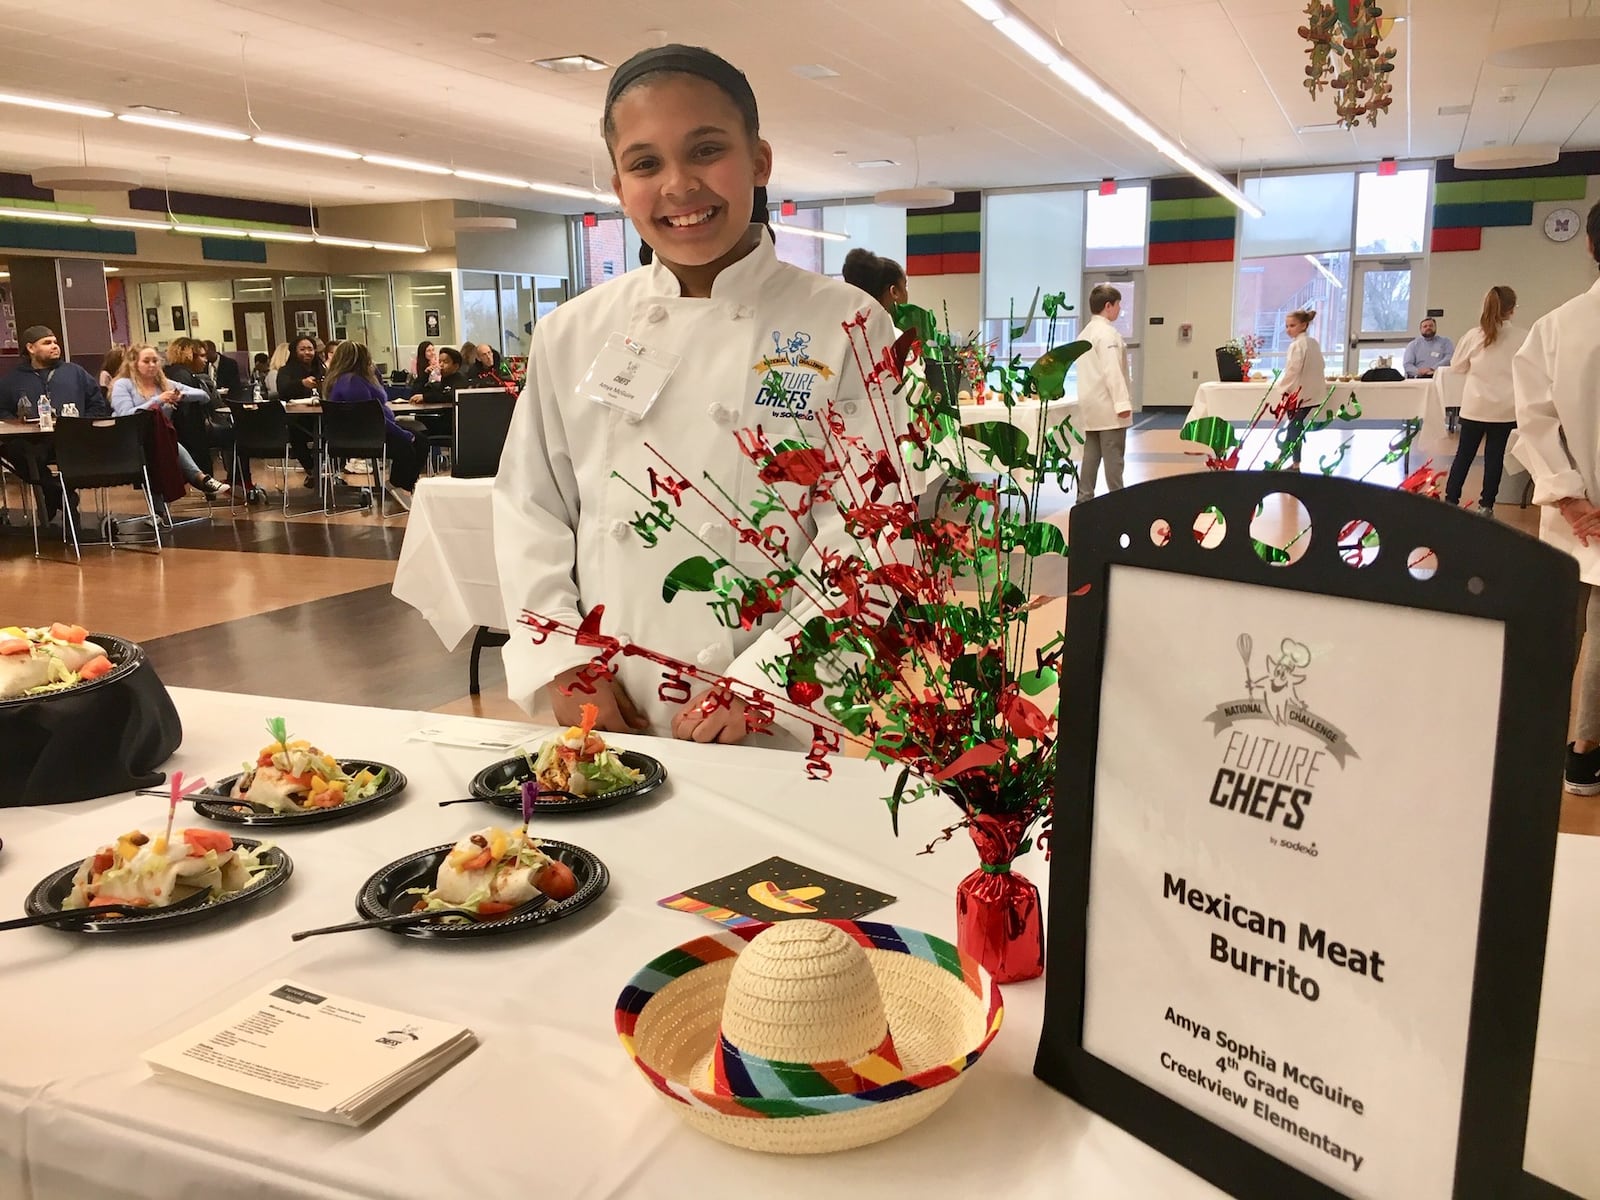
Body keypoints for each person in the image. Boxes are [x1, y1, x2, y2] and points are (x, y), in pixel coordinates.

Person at [493, 42, 901, 745]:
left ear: (760, 160)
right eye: (645, 163)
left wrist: (774, 681)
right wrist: (565, 661)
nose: (679, 186)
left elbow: (871, 531)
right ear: (619, 185)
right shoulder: (572, 333)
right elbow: (531, 508)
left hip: (774, 715)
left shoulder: (848, 326)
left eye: (706, 150)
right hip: (608, 708)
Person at [1514, 201, 1600, 794]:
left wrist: (1570, 498)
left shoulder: (1558, 326)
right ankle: (1586, 748)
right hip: (1581, 509)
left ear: (1590, 246)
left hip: (1577, 512)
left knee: (1562, 627)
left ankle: (1542, 745)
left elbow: (1534, 423)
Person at [0, 325, 110, 527]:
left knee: (38, 452)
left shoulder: (75, 372)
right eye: (47, 343)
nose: (54, 346)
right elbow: (2, 410)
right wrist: (16, 423)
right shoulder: (12, 380)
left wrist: (84, 423)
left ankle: (51, 495)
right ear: (31, 348)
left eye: (55, 342)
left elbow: (97, 403)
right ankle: (60, 493)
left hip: (72, 438)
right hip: (29, 438)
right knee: (15, 449)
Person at [109, 345, 230, 498]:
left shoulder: (165, 384)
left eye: (155, 361)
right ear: (134, 363)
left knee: (163, 438)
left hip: (160, 441)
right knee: (164, 437)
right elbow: (126, 415)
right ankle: (200, 478)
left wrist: (181, 395)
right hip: (131, 439)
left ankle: (161, 510)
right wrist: (158, 400)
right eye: (146, 361)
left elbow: (203, 395)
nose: (152, 365)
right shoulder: (123, 385)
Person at [1442, 287, 1523, 515]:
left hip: (1475, 407)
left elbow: (1457, 366)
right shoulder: (1522, 337)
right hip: (1506, 409)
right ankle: (1486, 505)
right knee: (1494, 458)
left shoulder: (1474, 335)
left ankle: (1450, 501)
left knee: (1464, 455)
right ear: (1511, 310)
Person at [321, 341, 427, 511]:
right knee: (414, 443)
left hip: (356, 433)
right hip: (368, 434)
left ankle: (398, 486)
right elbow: (372, 418)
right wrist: (403, 434)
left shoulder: (338, 380)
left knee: (418, 439)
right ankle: (400, 487)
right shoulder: (354, 383)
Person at [1075, 284, 1134, 499]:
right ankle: (1118, 502)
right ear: (1108, 306)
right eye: (1118, 305)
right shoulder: (1107, 335)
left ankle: (1083, 500)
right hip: (1108, 408)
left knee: (1090, 458)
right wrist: (1122, 403)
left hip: (1091, 407)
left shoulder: (1085, 334)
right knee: (1114, 460)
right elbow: (1112, 372)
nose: (1119, 310)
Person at [1276, 308, 1326, 469]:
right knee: (1294, 425)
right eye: (1287, 326)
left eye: (1292, 325)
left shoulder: (1297, 345)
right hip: (1313, 393)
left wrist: (1283, 388)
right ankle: (1287, 458)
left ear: (1303, 325)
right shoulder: (1313, 343)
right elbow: (1321, 365)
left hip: (1301, 394)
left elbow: (1293, 369)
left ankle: (1292, 462)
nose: (1288, 329)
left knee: (1294, 426)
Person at [273, 335, 325, 485]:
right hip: (298, 419)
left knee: (333, 433)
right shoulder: (286, 371)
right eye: (302, 349)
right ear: (294, 351)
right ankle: (311, 470)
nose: (307, 352)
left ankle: (320, 469)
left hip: (322, 416)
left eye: (310, 349)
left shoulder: (321, 369)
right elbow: (283, 389)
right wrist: (302, 383)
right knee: (296, 436)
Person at [841, 248, 908, 315]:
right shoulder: (908, 320)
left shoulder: (848, 319)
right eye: (905, 285)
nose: (906, 291)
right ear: (894, 291)